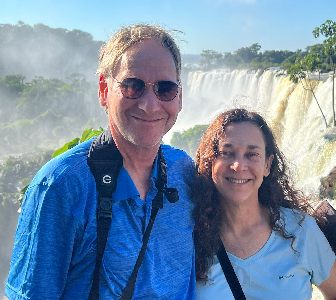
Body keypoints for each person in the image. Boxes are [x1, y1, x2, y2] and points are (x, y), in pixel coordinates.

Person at [6, 24, 195, 299]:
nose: (150, 105)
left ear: (179, 96)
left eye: (165, 89)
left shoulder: (185, 171)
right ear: (105, 90)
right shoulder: (63, 185)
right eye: (133, 86)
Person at [193, 108, 336, 299]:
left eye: (251, 154)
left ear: (267, 165)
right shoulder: (190, 235)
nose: (238, 166)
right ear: (209, 162)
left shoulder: (299, 231)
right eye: (227, 153)